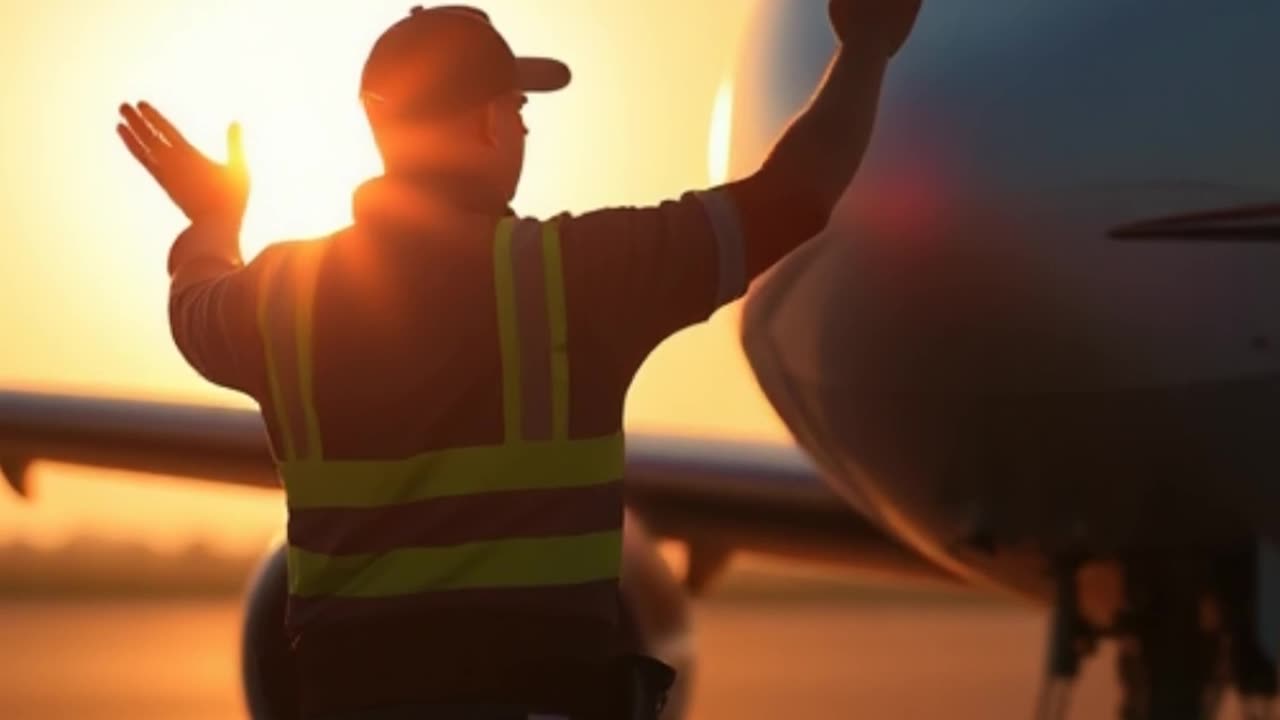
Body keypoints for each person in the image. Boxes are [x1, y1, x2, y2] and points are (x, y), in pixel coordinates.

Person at [115, 2, 921, 718]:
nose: (526, 127)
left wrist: (213, 221)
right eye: (520, 105)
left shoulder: (281, 298)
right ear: (487, 123)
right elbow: (797, 195)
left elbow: (193, 306)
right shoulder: (577, 274)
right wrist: (867, 47)